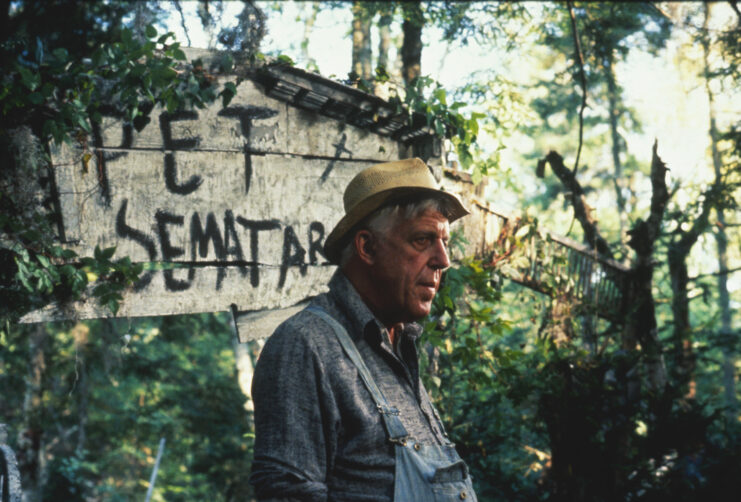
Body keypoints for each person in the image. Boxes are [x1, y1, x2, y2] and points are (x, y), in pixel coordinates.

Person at [249, 158, 478, 501]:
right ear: (368, 247)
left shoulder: (398, 345)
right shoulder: (307, 346)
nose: (443, 260)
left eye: (443, 241)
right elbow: (288, 493)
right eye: (422, 240)